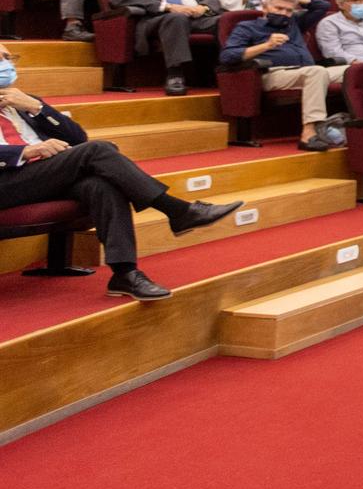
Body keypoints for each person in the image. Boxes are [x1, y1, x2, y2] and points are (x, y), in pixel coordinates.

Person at [0, 41, 240, 300]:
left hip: (40, 176)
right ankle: (177, 210)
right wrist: (24, 152)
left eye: (9, 58)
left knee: (101, 183)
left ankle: (124, 274)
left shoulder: (23, 101)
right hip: (7, 181)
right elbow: (84, 148)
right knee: (98, 151)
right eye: (1, 59)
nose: (8, 64)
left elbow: (78, 137)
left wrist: (37, 108)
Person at [218, 0, 338, 151]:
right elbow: (228, 56)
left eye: (288, 10)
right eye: (278, 8)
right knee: (317, 71)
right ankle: (309, 134)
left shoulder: (295, 22)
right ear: (265, 7)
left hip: (306, 71)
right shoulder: (247, 27)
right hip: (272, 74)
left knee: (354, 72)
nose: (283, 13)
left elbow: (322, 6)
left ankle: (360, 126)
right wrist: (267, 45)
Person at [108, 0, 223, 95]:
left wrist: (203, 7)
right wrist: (167, 6)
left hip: (196, 18)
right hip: (157, 20)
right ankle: (175, 74)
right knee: (176, 18)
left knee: (228, 21)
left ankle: (230, 70)